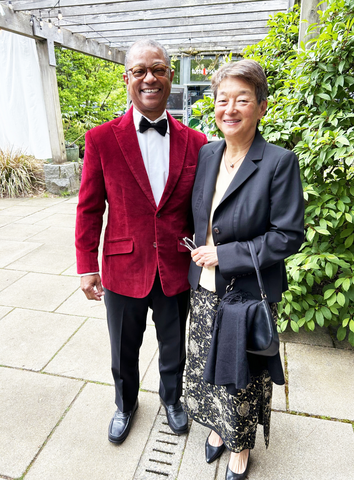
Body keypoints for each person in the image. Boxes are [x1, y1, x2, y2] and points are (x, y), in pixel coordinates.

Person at [75, 39, 207, 445]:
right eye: (140, 71)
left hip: (175, 267)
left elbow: (203, 209)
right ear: (127, 78)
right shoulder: (100, 139)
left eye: (159, 70)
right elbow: (89, 207)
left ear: (170, 75)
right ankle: (125, 403)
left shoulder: (197, 142)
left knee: (174, 346)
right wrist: (86, 266)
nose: (150, 78)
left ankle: (172, 399)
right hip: (122, 266)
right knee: (123, 349)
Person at [184, 60, 304, 480]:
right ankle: (219, 428)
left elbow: (289, 235)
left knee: (244, 375)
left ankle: (241, 444)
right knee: (208, 366)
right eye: (222, 99)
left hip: (249, 294)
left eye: (242, 100)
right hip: (204, 289)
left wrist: (226, 254)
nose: (229, 108)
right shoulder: (207, 153)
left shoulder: (278, 162)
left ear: (261, 107)